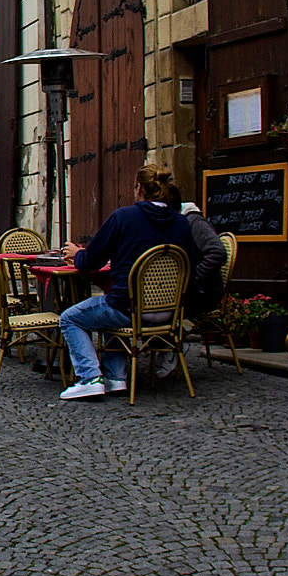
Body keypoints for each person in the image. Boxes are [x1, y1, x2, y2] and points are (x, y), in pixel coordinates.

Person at [56, 163, 196, 401]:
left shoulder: (124, 217)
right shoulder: (181, 222)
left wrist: (76, 253)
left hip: (129, 309)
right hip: (169, 312)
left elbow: (90, 261)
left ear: (138, 188)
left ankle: (90, 378)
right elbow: (194, 261)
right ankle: (116, 377)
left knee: (70, 318)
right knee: (110, 304)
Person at [160, 185, 228, 380]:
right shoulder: (177, 222)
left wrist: (194, 280)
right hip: (182, 290)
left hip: (202, 294)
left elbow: (217, 252)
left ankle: (170, 344)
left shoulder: (192, 221)